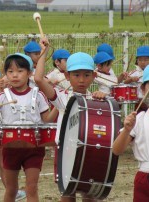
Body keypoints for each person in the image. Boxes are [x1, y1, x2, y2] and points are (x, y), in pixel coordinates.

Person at [34, 37, 106, 202]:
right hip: (65, 150)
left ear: (94, 76)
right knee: (67, 194)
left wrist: (102, 98)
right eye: (76, 75)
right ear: (67, 75)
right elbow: (38, 79)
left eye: (87, 75)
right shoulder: (62, 97)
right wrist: (43, 53)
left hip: (89, 151)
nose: (81, 80)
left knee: (89, 194)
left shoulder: (97, 99)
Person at [0, 53, 50, 202]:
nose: (15, 75)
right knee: (11, 190)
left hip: (34, 149)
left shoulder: (38, 95)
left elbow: (48, 120)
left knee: (31, 188)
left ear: (29, 73)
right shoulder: (2, 96)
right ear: (5, 75)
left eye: (20, 71)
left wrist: (58, 107)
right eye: (10, 72)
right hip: (10, 148)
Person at [112, 61, 149, 202]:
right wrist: (126, 130)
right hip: (145, 181)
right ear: (143, 89)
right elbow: (116, 150)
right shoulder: (137, 119)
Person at [124, 45, 149, 113]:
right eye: (140, 60)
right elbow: (125, 82)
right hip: (139, 103)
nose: (143, 62)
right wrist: (131, 79)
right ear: (137, 61)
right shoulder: (135, 72)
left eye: (145, 60)